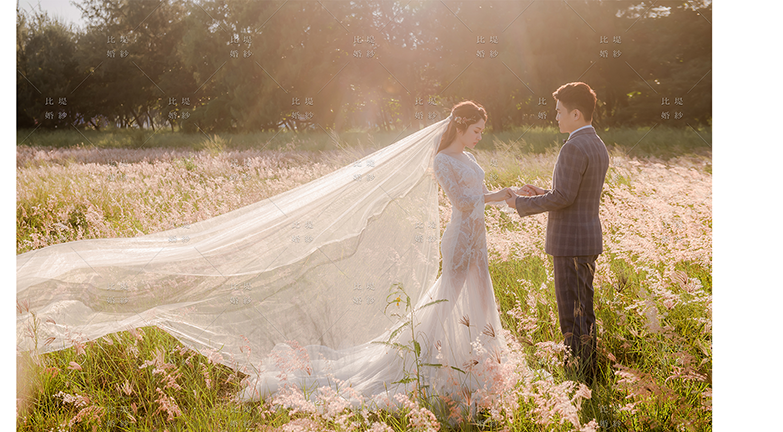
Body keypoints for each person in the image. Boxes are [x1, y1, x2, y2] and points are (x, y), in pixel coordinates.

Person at [241, 101, 520, 412]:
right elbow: (462, 201)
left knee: (483, 297)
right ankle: (419, 362)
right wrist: (496, 195)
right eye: (476, 130)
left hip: (478, 240)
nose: (480, 136)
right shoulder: (442, 160)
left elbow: (479, 197)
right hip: (459, 241)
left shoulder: (468, 157)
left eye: (482, 130)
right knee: (447, 301)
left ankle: (486, 365)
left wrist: (511, 196)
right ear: (459, 127)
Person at [505, 82, 609, 383]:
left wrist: (520, 203)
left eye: (559, 112)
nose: (556, 117)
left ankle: (578, 375)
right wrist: (543, 192)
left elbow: (564, 198)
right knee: (583, 310)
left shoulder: (573, 146)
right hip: (587, 238)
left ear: (576, 114)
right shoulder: (597, 144)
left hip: (569, 243)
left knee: (572, 314)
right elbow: (569, 193)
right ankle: (589, 370)